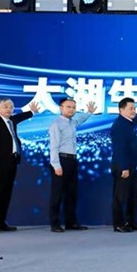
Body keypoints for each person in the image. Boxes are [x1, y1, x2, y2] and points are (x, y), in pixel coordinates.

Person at [0, 98, 39, 233]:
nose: (8, 109)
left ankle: (0, 222)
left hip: (11, 162)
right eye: (5, 106)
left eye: (11, 107)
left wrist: (32, 112)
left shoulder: (10, 121)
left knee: (5, 194)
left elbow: (19, 117)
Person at [48, 98, 97, 233]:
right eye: (68, 107)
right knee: (57, 194)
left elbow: (80, 120)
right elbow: (54, 146)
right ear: (61, 108)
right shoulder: (56, 125)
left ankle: (71, 222)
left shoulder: (71, 123)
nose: (71, 109)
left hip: (72, 161)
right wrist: (56, 165)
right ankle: (55, 223)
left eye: (73, 107)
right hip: (61, 160)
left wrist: (89, 112)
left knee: (71, 193)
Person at [110, 97, 137, 233]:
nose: (133, 111)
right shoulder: (119, 126)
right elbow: (119, 149)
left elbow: (136, 119)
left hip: (131, 166)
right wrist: (124, 167)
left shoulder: (127, 122)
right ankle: (118, 224)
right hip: (123, 167)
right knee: (120, 196)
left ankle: (131, 222)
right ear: (121, 110)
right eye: (130, 109)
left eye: (134, 108)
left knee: (132, 196)